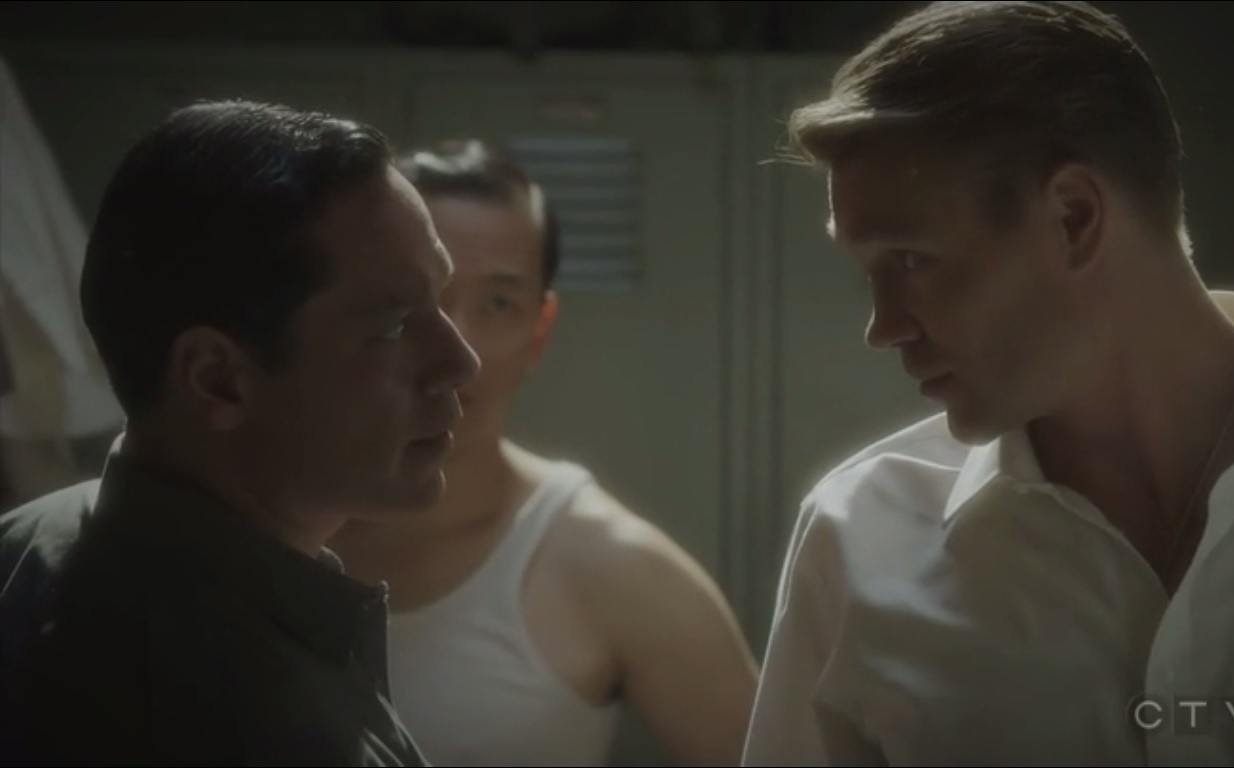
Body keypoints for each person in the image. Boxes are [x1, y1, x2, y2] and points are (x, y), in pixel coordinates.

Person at [742, 2, 1234, 766]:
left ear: (1073, 217)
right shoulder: (856, 537)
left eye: (909, 260)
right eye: (869, 271)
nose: (884, 327)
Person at [0, 99, 480, 766]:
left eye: (439, 302)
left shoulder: (27, 544)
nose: (461, 362)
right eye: (394, 326)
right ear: (218, 379)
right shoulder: (243, 728)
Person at [328, 140, 759, 767]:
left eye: (498, 304)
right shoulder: (258, 526)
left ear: (539, 330)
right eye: (422, 297)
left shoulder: (613, 565)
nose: (457, 347)